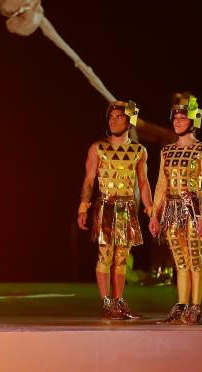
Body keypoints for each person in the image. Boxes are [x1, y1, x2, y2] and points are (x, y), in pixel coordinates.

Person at [78, 100, 153, 320]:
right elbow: (89, 179)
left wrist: (149, 207)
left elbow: (143, 182)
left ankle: (119, 301)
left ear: (129, 121)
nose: (113, 120)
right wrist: (83, 207)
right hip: (106, 206)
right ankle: (107, 302)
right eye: (111, 117)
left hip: (128, 207)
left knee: (121, 258)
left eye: (119, 117)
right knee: (105, 256)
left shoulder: (139, 150)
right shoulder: (98, 147)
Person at [149, 94, 202, 325]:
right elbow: (160, 184)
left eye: (182, 117)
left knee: (195, 259)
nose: (177, 121)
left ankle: (195, 308)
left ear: (193, 121)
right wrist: (155, 214)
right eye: (175, 117)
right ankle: (181, 305)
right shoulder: (166, 151)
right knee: (180, 261)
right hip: (171, 211)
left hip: (193, 211)